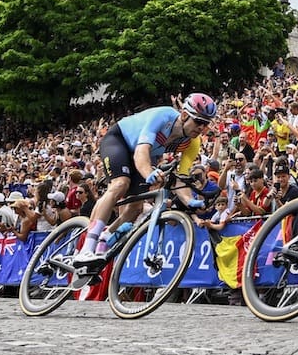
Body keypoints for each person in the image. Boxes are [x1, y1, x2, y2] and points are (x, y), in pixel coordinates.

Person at [72, 93, 219, 264]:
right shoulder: (164, 116)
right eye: (198, 121)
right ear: (185, 115)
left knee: (135, 207)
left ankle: (105, 238)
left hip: (145, 155)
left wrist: (189, 200)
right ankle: (87, 247)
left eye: (206, 124)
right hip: (120, 141)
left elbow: (182, 177)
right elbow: (141, 152)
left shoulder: (193, 143)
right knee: (121, 183)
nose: (201, 128)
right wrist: (149, 172)